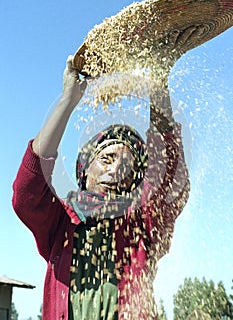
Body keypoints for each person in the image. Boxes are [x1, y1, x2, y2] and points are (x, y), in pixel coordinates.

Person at [12, 55, 190, 320]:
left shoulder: (142, 225)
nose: (116, 169)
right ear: (84, 170)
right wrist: (67, 101)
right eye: (106, 158)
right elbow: (28, 190)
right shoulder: (60, 223)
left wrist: (158, 87)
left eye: (128, 166)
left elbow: (169, 179)